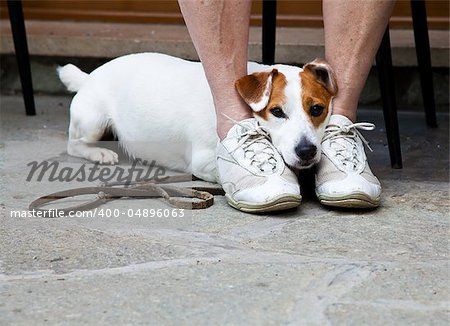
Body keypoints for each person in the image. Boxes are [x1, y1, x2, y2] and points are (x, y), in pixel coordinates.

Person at [178, 0, 395, 212]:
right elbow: (202, 163)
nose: (305, 144)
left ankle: (341, 121)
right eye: (278, 112)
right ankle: (235, 132)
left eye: (316, 110)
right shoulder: (256, 86)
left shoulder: (302, 84)